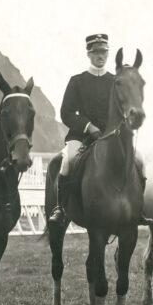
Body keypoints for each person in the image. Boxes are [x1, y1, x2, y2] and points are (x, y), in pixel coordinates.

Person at [47, 34, 114, 226]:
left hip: (109, 137)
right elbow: (66, 113)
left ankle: (136, 207)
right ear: (89, 54)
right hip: (81, 137)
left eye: (103, 51)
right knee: (67, 160)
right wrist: (88, 126)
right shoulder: (77, 81)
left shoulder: (115, 81)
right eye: (96, 52)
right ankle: (60, 207)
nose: (100, 55)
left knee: (136, 160)